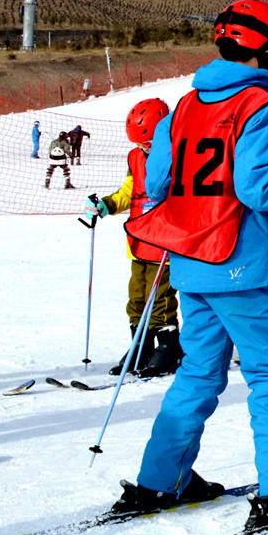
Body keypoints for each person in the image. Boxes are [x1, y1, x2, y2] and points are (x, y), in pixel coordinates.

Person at [115, 0, 268, 531]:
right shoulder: (261, 108)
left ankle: (161, 478)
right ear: (266, 50)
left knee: (198, 372)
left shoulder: (184, 107)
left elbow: (156, 184)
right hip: (241, 263)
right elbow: (258, 187)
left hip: (190, 262)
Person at [80, 98, 181, 377]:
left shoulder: (179, 153)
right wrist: (107, 205)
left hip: (167, 241)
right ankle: (141, 346)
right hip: (139, 240)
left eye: (148, 143)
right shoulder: (134, 157)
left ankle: (169, 347)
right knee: (136, 297)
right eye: (140, 144)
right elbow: (130, 191)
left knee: (159, 297)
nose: (144, 149)